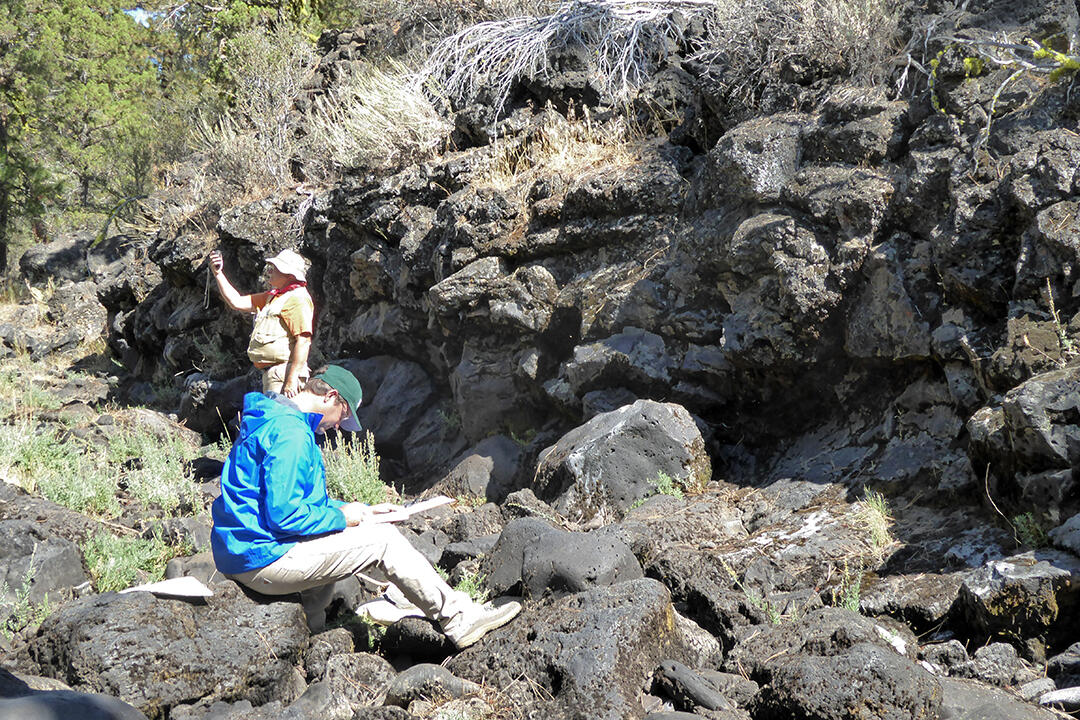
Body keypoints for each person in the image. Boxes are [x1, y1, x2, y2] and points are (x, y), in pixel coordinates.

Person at [209, 365, 521, 648]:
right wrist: (342, 517)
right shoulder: (291, 434)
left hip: (241, 551)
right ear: (331, 396)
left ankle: (308, 637)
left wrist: (361, 511)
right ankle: (458, 619)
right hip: (261, 557)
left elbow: (289, 500)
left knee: (352, 530)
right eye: (344, 414)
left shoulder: (275, 417)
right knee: (384, 541)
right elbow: (285, 515)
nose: (340, 425)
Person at [208, 248, 313, 397]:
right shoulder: (273, 297)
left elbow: (303, 341)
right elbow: (236, 301)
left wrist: (291, 379)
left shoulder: (297, 298)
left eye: (274, 269)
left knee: (279, 418)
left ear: (289, 275)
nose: (269, 272)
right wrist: (218, 274)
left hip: (284, 375)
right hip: (275, 375)